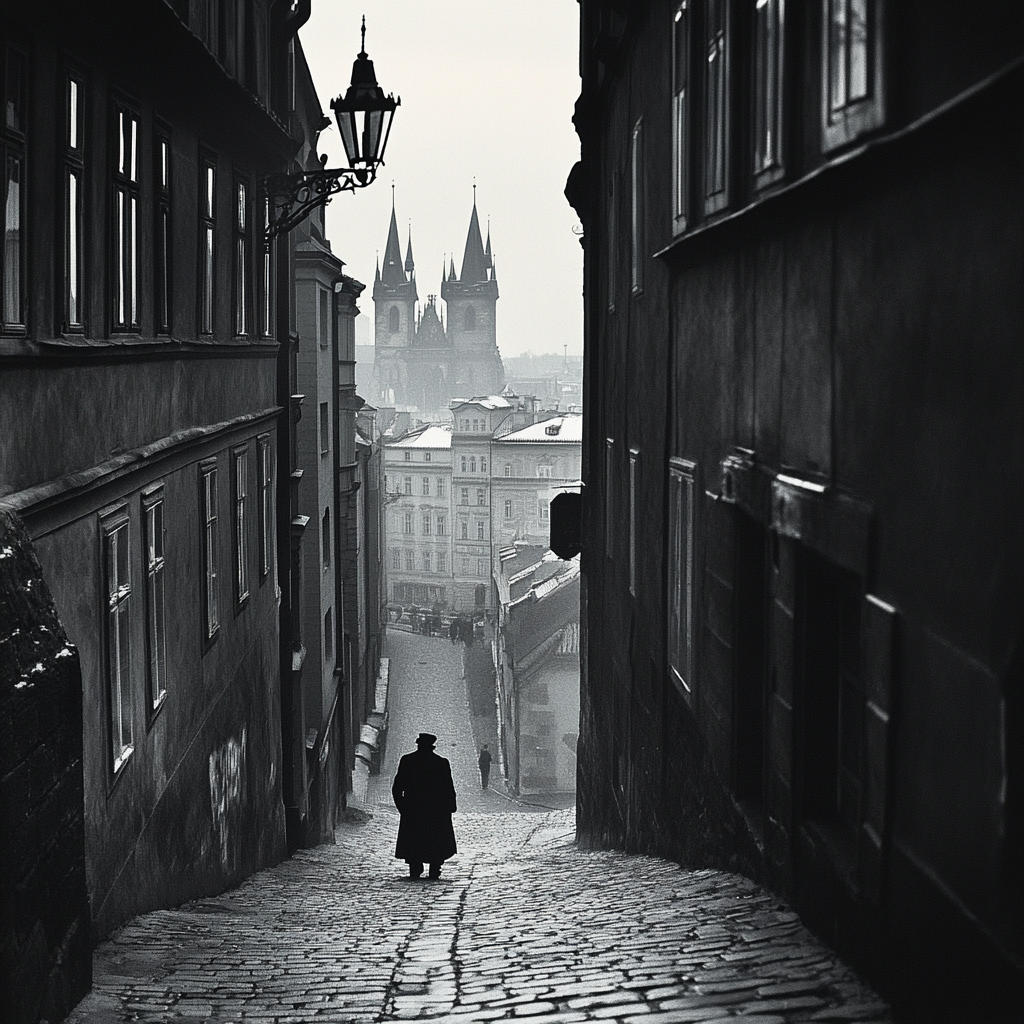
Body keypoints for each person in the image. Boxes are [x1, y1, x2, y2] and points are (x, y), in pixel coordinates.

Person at [392, 733, 457, 879]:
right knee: (435, 841)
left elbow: (397, 787)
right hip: (436, 811)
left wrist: (402, 807)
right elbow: (448, 788)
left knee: (414, 839)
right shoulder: (441, 763)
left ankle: (415, 865)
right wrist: (450, 807)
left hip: (413, 810)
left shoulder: (408, 761)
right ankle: (434, 867)